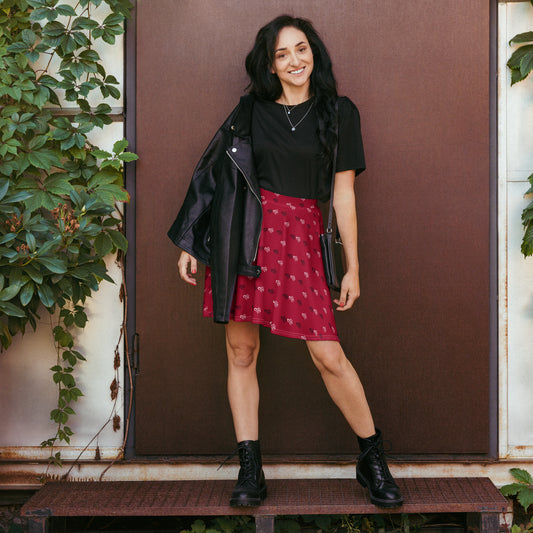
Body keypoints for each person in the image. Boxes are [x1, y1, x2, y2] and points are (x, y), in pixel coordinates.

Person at [168, 15, 403, 509]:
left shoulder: (338, 112)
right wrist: (191, 240)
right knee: (241, 352)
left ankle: (371, 457)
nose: (294, 61)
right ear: (269, 65)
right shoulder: (250, 110)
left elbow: (343, 196)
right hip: (243, 237)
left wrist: (352, 268)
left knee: (328, 356)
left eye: (301, 49)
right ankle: (250, 469)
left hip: (300, 239)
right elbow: (212, 172)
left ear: (313, 53)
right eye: (282, 54)